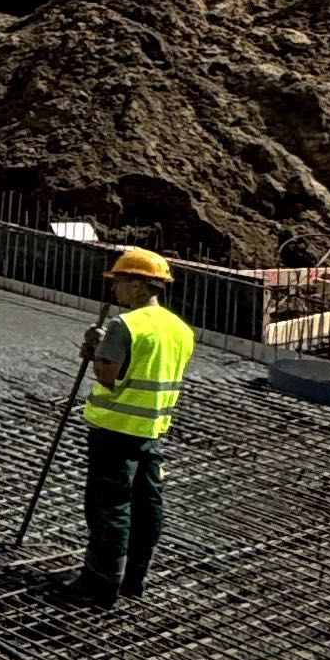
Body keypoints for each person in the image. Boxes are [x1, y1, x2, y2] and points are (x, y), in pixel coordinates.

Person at [71, 246, 194, 605]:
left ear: (140, 284)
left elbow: (109, 377)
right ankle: (133, 580)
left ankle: (100, 583)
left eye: (120, 281)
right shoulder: (180, 329)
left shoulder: (126, 326)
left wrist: (96, 351)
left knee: (110, 507)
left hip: (114, 431)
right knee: (146, 504)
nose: (115, 290)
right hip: (152, 430)